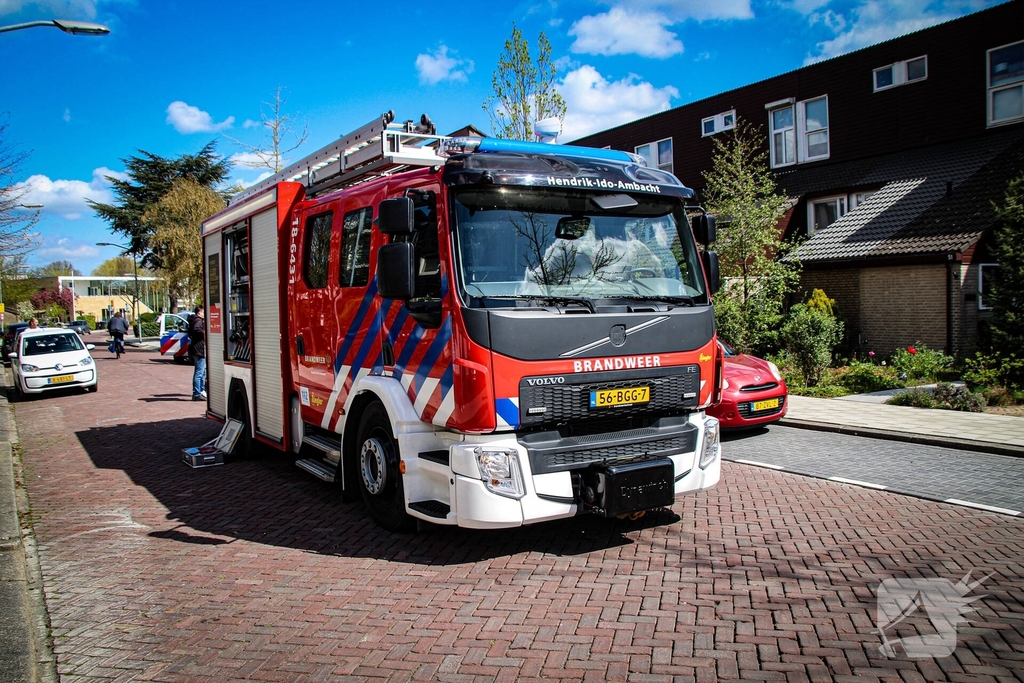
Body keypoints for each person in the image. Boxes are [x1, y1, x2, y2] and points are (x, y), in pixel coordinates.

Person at [188, 305, 206, 401]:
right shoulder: (198, 320)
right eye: (203, 312)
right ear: (199, 312)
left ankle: (200, 391)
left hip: (197, 349)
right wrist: (204, 333)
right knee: (199, 372)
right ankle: (197, 393)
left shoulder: (194, 319)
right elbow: (196, 330)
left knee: (201, 372)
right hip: (199, 349)